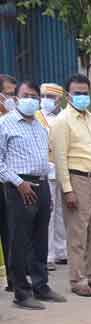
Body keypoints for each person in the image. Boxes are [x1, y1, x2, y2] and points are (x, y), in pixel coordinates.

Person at [0, 80, 66, 309]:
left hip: (42, 184)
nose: (30, 99)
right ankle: (21, 291)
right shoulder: (5, 124)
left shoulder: (39, 125)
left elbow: (42, 157)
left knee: (40, 238)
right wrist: (19, 183)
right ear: (16, 99)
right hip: (19, 186)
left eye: (34, 96)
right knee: (20, 240)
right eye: (25, 95)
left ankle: (41, 285)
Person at [50, 73, 91, 297]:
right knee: (77, 232)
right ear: (68, 95)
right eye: (77, 93)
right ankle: (77, 279)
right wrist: (67, 189)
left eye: (85, 93)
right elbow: (60, 157)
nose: (82, 97)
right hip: (77, 179)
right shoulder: (62, 122)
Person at [35, 83, 68, 271]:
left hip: (63, 169)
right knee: (49, 210)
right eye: (43, 96)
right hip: (45, 169)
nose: (45, 100)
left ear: (59, 99)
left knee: (62, 212)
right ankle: (48, 254)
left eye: (50, 96)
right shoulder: (37, 116)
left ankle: (61, 251)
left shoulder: (65, 116)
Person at [0, 74, 16, 292]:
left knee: (10, 230)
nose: (13, 99)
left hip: (7, 181)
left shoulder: (12, 118)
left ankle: (14, 279)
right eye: (9, 94)